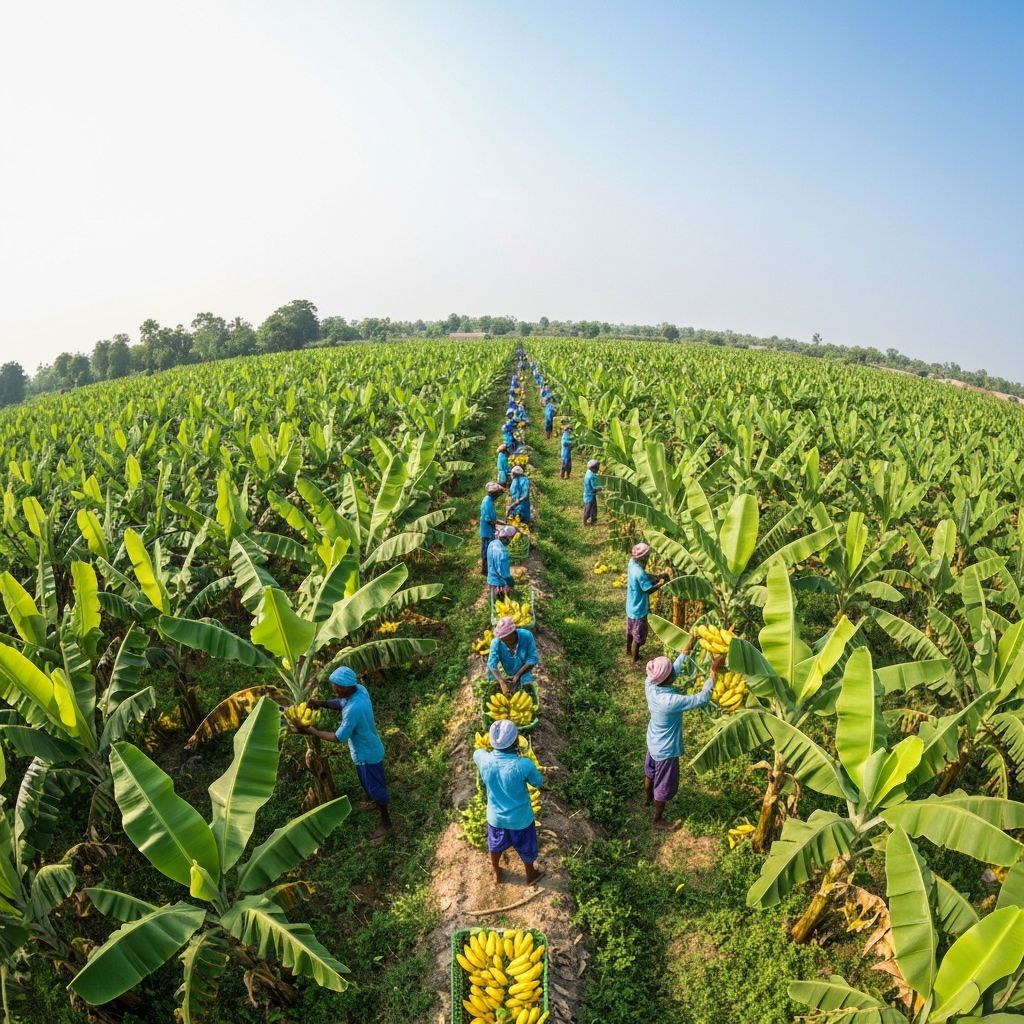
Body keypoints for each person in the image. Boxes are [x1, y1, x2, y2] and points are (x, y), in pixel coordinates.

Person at [306, 667, 393, 843]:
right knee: (367, 782)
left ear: (346, 688)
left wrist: (311, 730)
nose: (334, 690)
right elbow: (340, 703)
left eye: (336, 688)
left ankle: (386, 821)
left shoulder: (354, 709)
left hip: (367, 754)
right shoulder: (359, 690)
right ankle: (372, 801)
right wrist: (321, 703)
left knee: (376, 788)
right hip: (367, 748)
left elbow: (338, 737)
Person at [644, 643, 724, 831]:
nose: (674, 669)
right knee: (662, 787)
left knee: (650, 773)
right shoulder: (671, 701)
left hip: (653, 742)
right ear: (668, 677)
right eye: (672, 669)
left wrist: (689, 645)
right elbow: (701, 698)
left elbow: (673, 671)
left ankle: (646, 800)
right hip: (666, 751)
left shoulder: (651, 684)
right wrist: (713, 670)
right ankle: (657, 820)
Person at [473, 719, 546, 884]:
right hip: (521, 819)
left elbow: (477, 752)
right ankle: (530, 874)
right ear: (515, 741)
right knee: (526, 847)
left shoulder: (482, 759)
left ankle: (496, 870)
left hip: (496, 818)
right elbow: (538, 782)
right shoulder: (524, 765)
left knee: (495, 845)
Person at [626, 542, 671, 661]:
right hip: (639, 609)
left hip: (631, 606)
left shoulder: (632, 563)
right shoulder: (639, 573)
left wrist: (656, 576)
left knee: (630, 632)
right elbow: (648, 589)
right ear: (642, 558)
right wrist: (660, 584)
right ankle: (635, 658)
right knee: (638, 636)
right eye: (647, 557)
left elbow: (645, 576)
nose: (648, 559)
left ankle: (628, 651)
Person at [487, 616, 539, 694]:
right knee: (490, 673)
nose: (506, 642)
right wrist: (501, 681)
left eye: (508, 639)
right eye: (503, 640)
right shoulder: (496, 642)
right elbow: (491, 664)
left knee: (527, 686)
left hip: (524, 668)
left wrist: (518, 674)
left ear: (514, 633)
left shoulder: (526, 636)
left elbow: (532, 657)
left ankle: (523, 681)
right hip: (508, 668)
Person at [479, 482, 503, 577]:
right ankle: (485, 570)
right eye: (497, 494)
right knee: (486, 549)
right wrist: (499, 524)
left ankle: (489, 568)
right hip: (487, 530)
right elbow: (488, 519)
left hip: (489, 529)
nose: (498, 496)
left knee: (489, 548)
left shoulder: (489, 500)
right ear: (494, 494)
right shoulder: (487, 502)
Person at [487, 525, 517, 597]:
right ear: (507, 537)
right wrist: (511, 582)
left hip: (491, 579)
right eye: (511, 538)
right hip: (499, 584)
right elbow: (504, 574)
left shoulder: (492, 543)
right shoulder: (502, 553)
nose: (511, 540)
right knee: (503, 605)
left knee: (494, 603)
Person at [582, 459, 601, 525]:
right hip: (590, 495)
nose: (598, 470)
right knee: (589, 509)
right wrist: (600, 488)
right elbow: (594, 487)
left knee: (591, 508)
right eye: (597, 468)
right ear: (593, 468)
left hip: (587, 494)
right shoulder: (592, 476)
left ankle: (593, 521)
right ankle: (585, 522)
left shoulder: (588, 472)